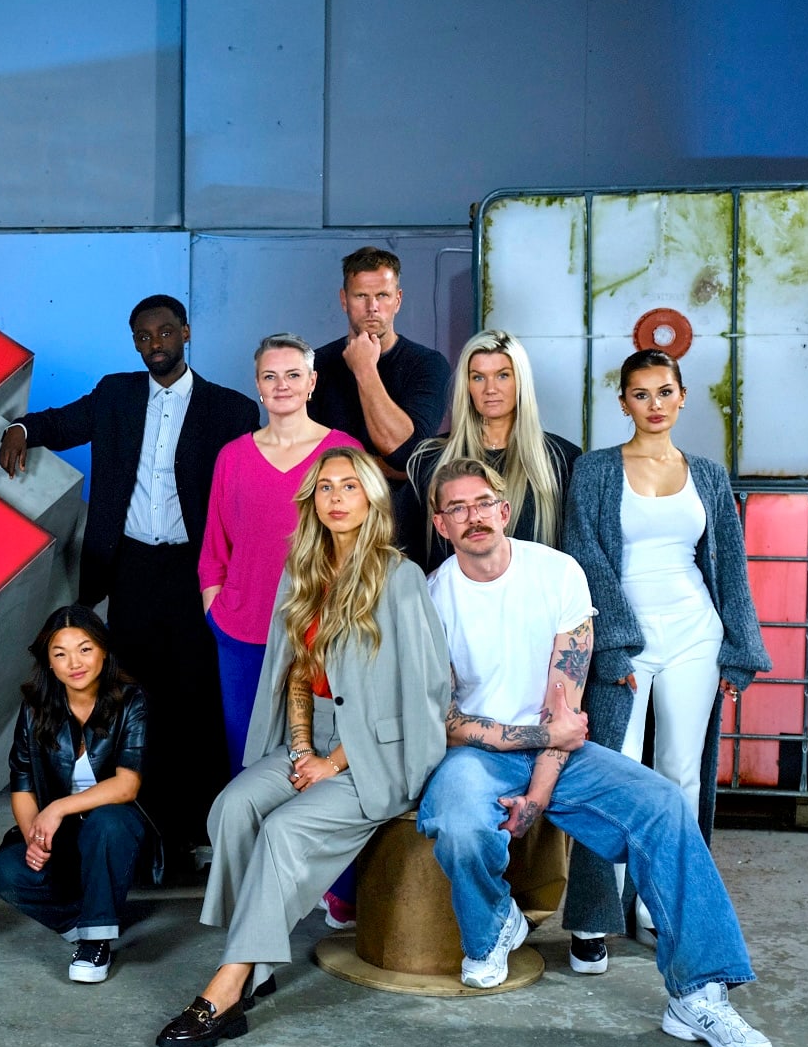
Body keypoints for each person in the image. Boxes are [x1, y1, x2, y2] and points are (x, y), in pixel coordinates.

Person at [416, 458, 772, 1047]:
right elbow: (445, 721)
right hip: (479, 752)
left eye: (483, 503)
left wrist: (538, 794)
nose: (473, 517)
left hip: (560, 753)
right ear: (440, 524)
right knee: (456, 820)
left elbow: (566, 706)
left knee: (663, 805)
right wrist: (526, 739)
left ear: (505, 510)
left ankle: (699, 994)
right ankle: (495, 924)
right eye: (457, 508)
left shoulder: (558, 573)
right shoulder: (432, 597)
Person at [155, 448, 449, 1047]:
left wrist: (334, 762)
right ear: (312, 501)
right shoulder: (302, 571)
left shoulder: (399, 577)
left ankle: (228, 985)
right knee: (233, 808)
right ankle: (254, 961)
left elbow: (426, 689)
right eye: (325, 487)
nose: (336, 497)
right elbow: (294, 670)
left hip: (375, 751)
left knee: (282, 831)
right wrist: (300, 748)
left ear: (371, 498)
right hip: (310, 733)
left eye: (349, 486)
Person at [0, 293, 257, 868]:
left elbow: (249, 489)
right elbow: (62, 422)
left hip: (197, 571)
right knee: (136, 694)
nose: (154, 344)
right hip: (132, 567)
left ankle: (201, 827)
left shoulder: (231, 410)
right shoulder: (116, 394)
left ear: (185, 333)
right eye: (143, 336)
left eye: (164, 332)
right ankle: (146, 827)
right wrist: (20, 426)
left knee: (197, 694)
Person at [561, 350, 769, 969]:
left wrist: (739, 647)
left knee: (681, 773)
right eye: (640, 394)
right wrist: (613, 642)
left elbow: (729, 564)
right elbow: (584, 555)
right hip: (625, 638)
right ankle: (596, 916)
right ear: (623, 403)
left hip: (695, 633)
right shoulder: (596, 470)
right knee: (614, 775)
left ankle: (663, 908)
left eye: (664, 391)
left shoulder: (707, 474)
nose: (654, 404)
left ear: (682, 397)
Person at [198, 334, 362, 777]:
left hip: (323, 631)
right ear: (257, 385)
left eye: (293, 375)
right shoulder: (233, 457)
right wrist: (217, 615)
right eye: (270, 376)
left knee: (315, 758)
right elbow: (214, 549)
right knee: (246, 760)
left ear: (312, 382)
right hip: (243, 631)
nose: (282, 385)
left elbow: (365, 543)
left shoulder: (343, 452)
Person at [0, 605, 154, 985]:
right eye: (60, 654)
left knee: (108, 820)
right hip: (62, 835)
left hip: (114, 832)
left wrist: (57, 809)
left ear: (103, 651)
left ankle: (96, 942)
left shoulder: (131, 701)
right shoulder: (35, 709)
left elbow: (126, 785)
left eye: (85, 649)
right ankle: (84, 921)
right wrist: (34, 837)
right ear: (49, 663)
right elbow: (23, 784)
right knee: (8, 870)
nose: (74, 663)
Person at [306, 247, 450, 548]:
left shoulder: (428, 365)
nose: (373, 307)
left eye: (382, 295)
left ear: (398, 299)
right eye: (361, 296)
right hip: (328, 534)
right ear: (344, 300)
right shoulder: (314, 366)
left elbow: (406, 455)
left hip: (403, 534)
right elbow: (306, 460)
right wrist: (384, 467)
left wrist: (365, 369)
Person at [405, 328, 581, 572]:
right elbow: (409, 551)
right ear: (466, 385)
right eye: (478, 377)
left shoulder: (562, 460)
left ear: (520, 381)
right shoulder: (429, 459)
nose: (490, 388)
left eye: (503, 375)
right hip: (450, 595)